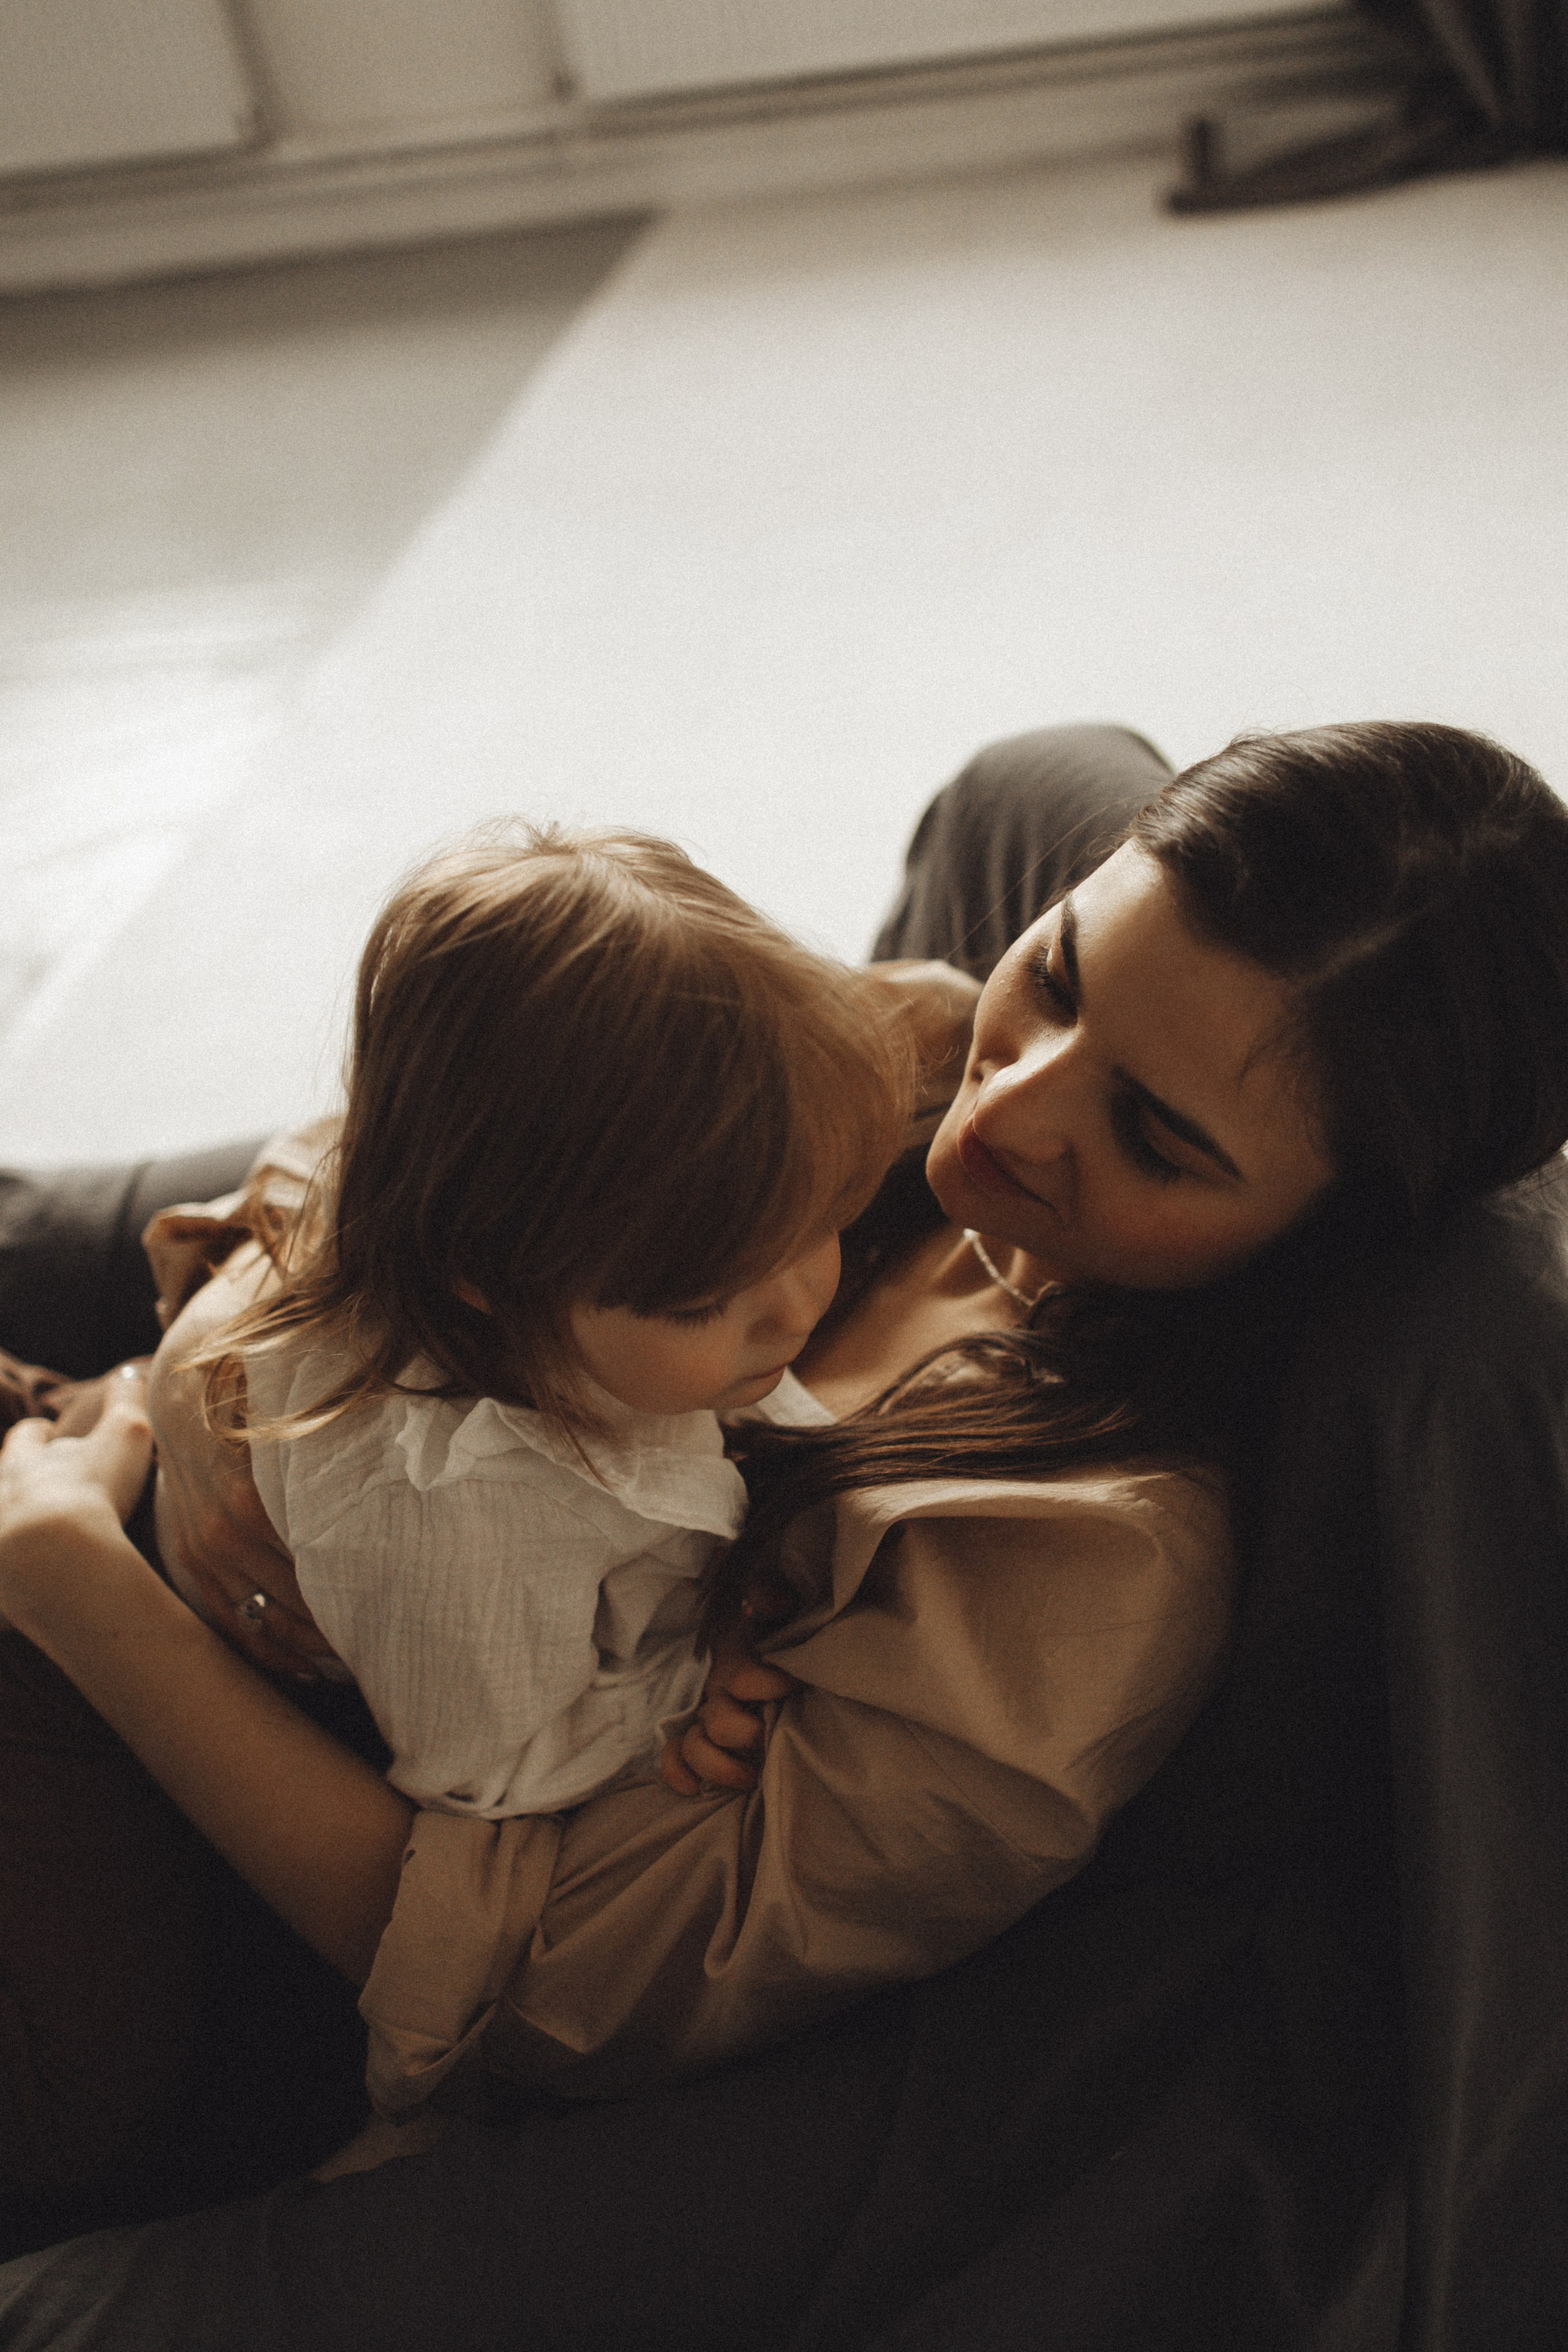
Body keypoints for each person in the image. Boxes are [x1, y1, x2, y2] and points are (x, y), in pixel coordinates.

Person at [1, 718, 1567, 2335]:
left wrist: (73, 1584)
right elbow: (445, 1142)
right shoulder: (899, 1044)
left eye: (1157, 1141)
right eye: (1062, 976)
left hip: (193, 1869)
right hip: (118, 1464)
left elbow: (540, 1985)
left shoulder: (1080, 1579)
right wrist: (218, 1357)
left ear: (1324, 1237)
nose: (1006, 1110)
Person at [141, 825, 913, 1823]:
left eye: (820, 1226)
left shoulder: (589, 1247)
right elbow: (485, 1764)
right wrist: (677, 1706)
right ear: (492, 1277)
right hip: (273, 1680)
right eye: (700, 1302)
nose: (798, 1308)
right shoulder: (450, 1500)